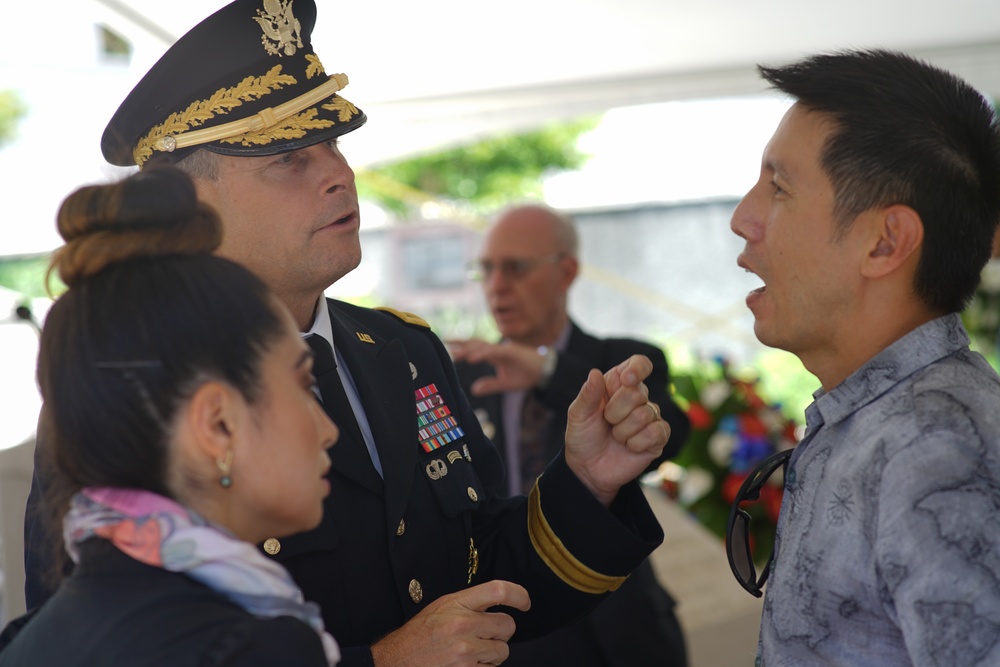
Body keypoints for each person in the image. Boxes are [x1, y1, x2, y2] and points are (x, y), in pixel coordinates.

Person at [23, 1, 673, 665]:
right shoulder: (130, 386)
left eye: (334, 143)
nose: (339, 173)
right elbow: (92, 640)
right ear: (193, 200)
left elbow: (480, 571)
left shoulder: (403, 349)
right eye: (288, 158)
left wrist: (586, 483)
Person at [1, 167, 341, 665]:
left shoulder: (31, 639)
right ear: (217, 424)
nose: (327, 430)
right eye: (303, 386)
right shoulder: (248, 649)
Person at [728, 48, 1000, 665]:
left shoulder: (941, 446)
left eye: (778, 187)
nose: (744, 218)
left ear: (884, 242)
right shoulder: (883, 420)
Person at [449, 203, 691, 666]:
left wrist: (548, 370)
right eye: (487, 270)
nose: (498, 286)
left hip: (617, 629)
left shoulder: (624, 360)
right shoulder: (463, 376)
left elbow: (669, 436)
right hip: (506, 632)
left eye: (516, 268)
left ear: (566, 272)